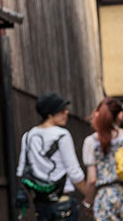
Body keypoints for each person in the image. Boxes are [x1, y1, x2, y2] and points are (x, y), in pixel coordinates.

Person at [16, 92, 87, 220]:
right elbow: (74, 172)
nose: (66, 113)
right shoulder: (62, 135)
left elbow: (21, 170)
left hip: (40, 204)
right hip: (63, 202)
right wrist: (89, 195)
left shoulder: (27, 136)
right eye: (62, 110)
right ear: (50, 114)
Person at [82, 97, 123, 220]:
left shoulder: (91, 141)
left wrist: (88, 202)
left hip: (106, 199)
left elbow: (92, 179)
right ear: (120, 115)